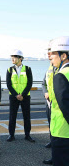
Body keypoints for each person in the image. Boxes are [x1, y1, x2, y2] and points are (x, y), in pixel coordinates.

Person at [47, 36, 69, 166]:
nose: (51, 56)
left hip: (62, 131)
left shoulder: (60, 75)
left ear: (64, 56)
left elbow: (65, 106)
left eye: (54, 53)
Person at [6, 49, 34, 143]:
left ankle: (27, 135)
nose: (12, 59)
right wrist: (16, 95)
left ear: (20, 58)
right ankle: (11, 135)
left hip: (25, 97)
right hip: (14, 97)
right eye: (12, 57)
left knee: (26, 116)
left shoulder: (28, 69)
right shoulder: (9, 70)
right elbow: (9, 84)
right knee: (12, 116)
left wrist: (23, 94)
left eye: (14, 57)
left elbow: (30, 83)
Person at [43, 43, 56, 164]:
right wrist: (46, 92)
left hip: (59, 105)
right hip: (49, 103)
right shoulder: (50, 67)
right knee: (52, 126)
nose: (48, 54)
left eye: (50, 52)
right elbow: (43, 83)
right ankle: (52, 142)